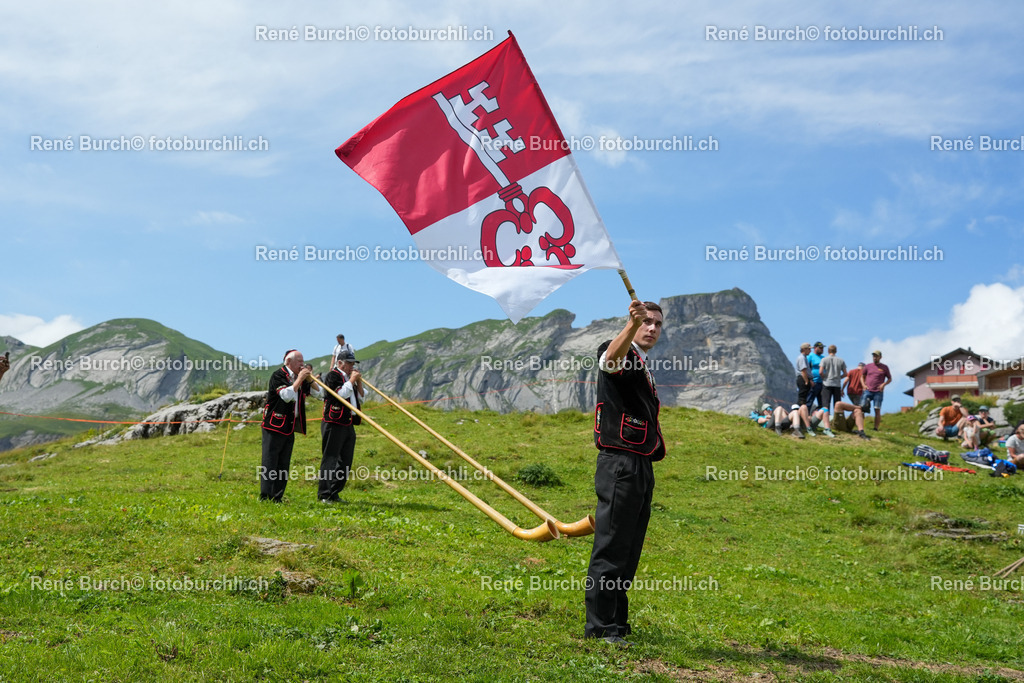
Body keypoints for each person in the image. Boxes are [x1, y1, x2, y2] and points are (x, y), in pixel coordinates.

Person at [585, 299, 665, 646]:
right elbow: (609, 362)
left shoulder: (644, 365)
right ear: (633, 322)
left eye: (657, 324)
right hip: (619, 461)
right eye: (645, 321)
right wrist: (629, 326)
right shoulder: (618, 349)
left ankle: (616, 624)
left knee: (629, 548)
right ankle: (600, 627)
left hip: (640, 463)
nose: (651, 328)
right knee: (611, 545)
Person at [260, 350, 318, 502]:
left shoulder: (301, 378)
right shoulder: (278, 375)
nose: (302, 364)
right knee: (270, 461)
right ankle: (265, 496)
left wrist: (310, 380)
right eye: (299, 361)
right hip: (273, 424)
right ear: (288, 362)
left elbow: (319, 394)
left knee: (284, 463)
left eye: (303, 361)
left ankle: (277, 497)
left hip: (289, 426)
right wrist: (300, 378)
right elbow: (286, 396)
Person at [318, 351, 365, 503]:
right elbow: (341, 394)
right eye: (349, 363)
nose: (352, 366)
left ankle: (334, 492)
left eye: (353, 364)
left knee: (346, 460)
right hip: (333, 422)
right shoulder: (333, 376)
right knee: (330, 458)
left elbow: (362, 398)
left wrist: (359, 382)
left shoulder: (349, 378)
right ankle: (324, 494)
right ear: (340, 363)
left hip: (347, 422)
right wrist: (352, 380)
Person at [861, 350, 892, 431]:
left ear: (880, 357)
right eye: (873, 356)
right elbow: (862, 376)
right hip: (868, 390)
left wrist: (883, 384)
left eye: (876, 356)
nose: (874, 357)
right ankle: (861, 427)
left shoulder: (885, 367)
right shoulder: (868, 366)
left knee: (877, 409)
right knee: (862, 408)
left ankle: (875, 428)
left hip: (878, 392)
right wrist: (864, 385)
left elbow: (890, 379)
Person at [818, 345, 847, 415]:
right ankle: (837, 419)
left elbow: (820, 372)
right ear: (836, 351)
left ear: (828, 351)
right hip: (837, 384)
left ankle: (826, 420)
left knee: (826, 403)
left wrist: (824, 377)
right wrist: (839, 377)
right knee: (837, 404)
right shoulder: (841, 360)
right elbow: (845, 373)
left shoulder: (824, 360)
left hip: (827, 383)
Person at [806, 342, 825, 410]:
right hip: (814, 382)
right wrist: (809, 380)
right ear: (815, 348)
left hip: (822, 383)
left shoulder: (823, 357)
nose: (822, 349)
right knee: (809, 400)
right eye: (820, 348)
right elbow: (806, 369)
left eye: (822, 348)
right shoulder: (810, 356)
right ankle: (806, 415)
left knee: (822, 402)